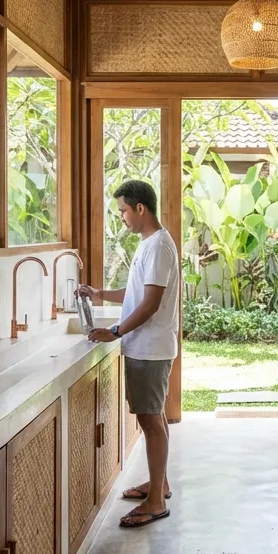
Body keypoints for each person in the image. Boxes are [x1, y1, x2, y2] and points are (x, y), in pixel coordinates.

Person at [80, 180, 180, 529]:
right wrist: (99, 293)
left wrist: (116, 331)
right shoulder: (149, 244)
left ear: (141, 209)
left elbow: (150, 304)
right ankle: (159, 484)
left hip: (150, 349)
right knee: (155, 420)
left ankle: (156, 502)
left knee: (151, 422)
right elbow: (138, 291)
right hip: (147, 347)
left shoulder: (158, 246)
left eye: (123, 210)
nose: (121, 217)